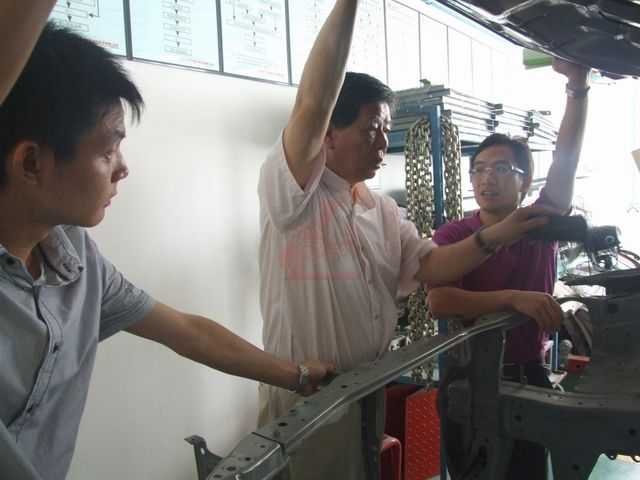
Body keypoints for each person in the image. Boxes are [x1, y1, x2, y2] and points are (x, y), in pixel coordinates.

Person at [0, 21, 335, 480]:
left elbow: (188, 332)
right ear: (31, 163)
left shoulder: (77, 261)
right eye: (108, 151)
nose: (123, 169)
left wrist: (297, 376)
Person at [257, 1, 552, 478]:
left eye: (386, 131)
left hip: (364, 390)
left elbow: (432, 266)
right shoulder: (296, 194)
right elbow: (313, 100)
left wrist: (497, 234)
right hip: (308, 396)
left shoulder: (383, 210)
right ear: (328, 135)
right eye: (371, 130)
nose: (381, 144)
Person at [429, 59, 590, 480]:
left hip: (529, 376)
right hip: (470, 379)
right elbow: (439, 300)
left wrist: (577, 86)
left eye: (501, 169)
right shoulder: (455, 235)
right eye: (479, 170)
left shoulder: (540, 223)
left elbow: (566, 163)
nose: (487, 179)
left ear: (525, 181)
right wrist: (512, 300)